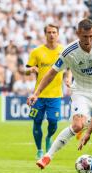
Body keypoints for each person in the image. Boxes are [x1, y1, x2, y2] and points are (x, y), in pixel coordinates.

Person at [28, 19, 92, 173]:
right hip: (81, 92)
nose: (88, 40)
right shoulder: (69, 52)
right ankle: (47, 156)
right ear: (78, 34)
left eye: (91, 36)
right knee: (77, 125)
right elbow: (51, 73)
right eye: (84, 37)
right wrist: (36, 93)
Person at [25, 24, 65, 159]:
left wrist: (69, 79)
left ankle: (49, 137)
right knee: (37, 122)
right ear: (45, 34)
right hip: (39, 95)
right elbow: (25, 70)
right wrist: (30, 70)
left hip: (55, 95)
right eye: (49, 32)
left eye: (54, 32)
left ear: (58, 34)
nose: (52, 35)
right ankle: (39, 150)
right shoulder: (36, 51)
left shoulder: (63, 51)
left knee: (53, 122)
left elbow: (70, 68)